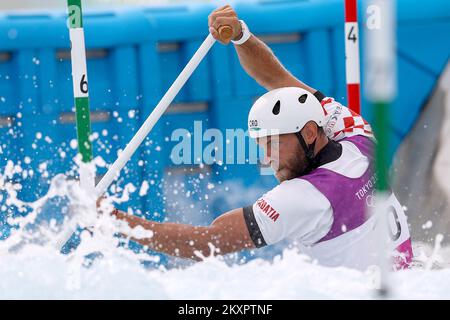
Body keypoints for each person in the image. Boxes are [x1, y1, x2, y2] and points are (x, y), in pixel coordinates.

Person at [99, 5, 413, 271]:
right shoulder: (358, 134)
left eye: (272, 143)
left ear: (308, 133)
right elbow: (277, 79)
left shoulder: (304, 198)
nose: (265, 158)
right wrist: (241, 36)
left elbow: (205, 241)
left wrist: (112, 219)